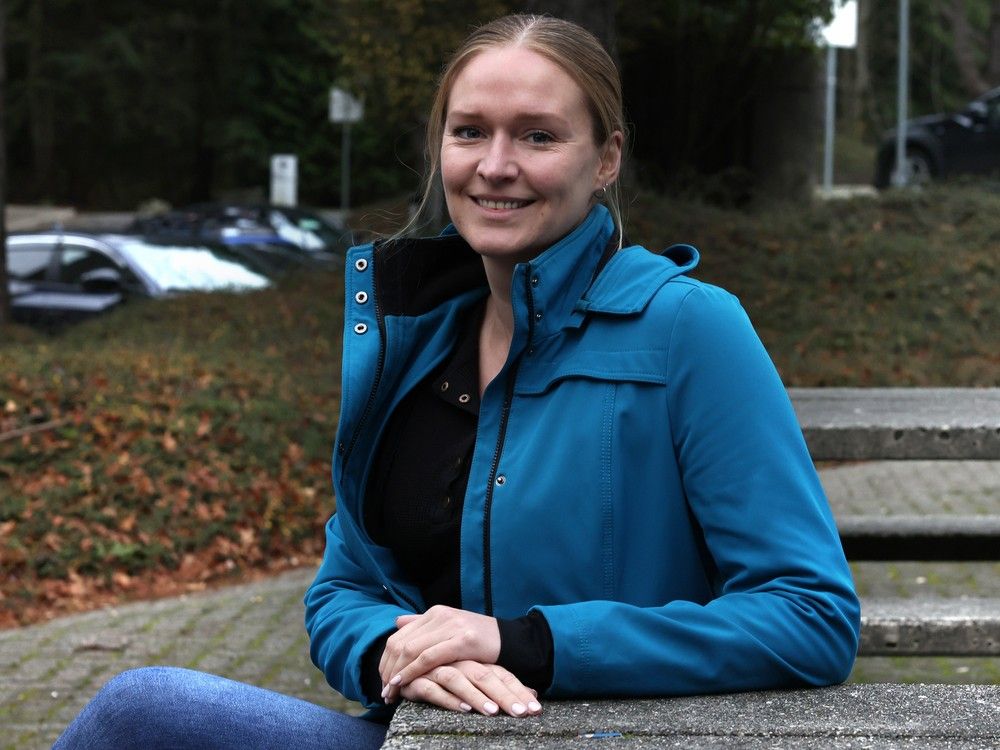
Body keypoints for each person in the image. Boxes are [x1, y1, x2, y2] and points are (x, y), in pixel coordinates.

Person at [53, 13, 860, 750]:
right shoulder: (416, 340)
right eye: (470, 131)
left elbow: (809, 615)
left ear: (606, 157)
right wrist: (394, 650)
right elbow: (343, 589)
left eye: (539, 137)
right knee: (143, 715)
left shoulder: (689, 329)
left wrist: (525, 643)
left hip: (601, 742)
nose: (496, 166)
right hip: (423, 738)